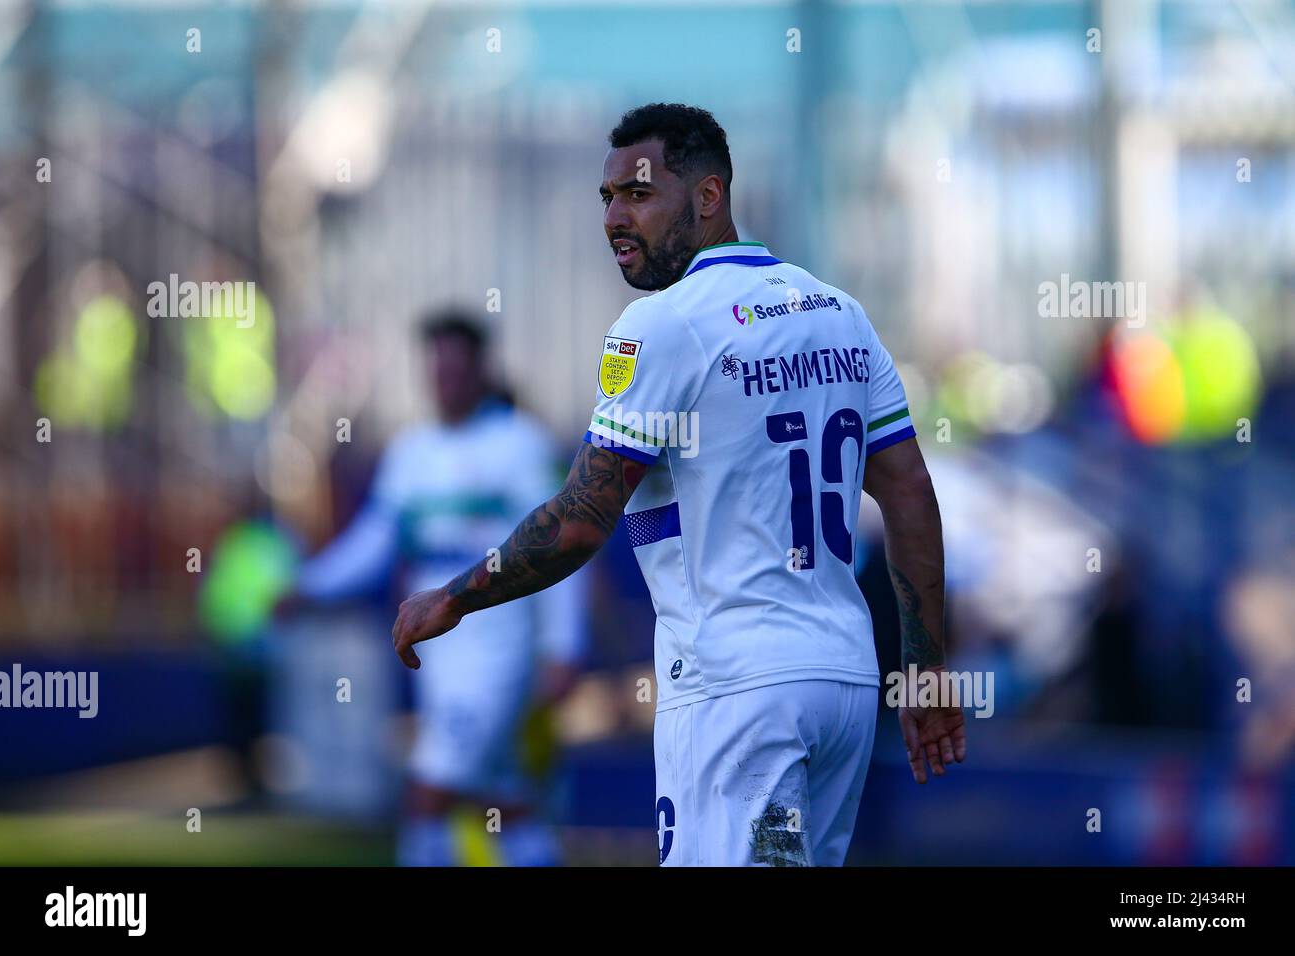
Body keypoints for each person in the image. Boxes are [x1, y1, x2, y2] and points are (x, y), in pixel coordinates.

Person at [393, 104, 963, 866]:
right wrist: (924, 669)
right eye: (607, 200)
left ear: (708, 196)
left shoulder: (660, 324)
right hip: (845, 682)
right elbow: (909, 494)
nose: (615, 219)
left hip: (736, 689)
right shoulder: (840, 315)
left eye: (637, 194)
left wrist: (456, 595)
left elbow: (581, 519)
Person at [290, 309, 585, 866]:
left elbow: (561, 543)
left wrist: (565, 645)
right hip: (436, 648)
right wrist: (312, 585)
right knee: (502, 794)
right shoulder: (411, 452)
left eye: (455, 368)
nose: (444, 380)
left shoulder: (518, 444)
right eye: (436, 369)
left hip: (499, 643)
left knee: (429, 789)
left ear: (479, 370)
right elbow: (375, 540)